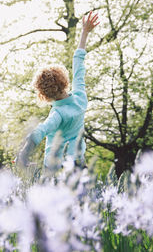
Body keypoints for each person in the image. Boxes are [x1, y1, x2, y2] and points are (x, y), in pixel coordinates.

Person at [16, 11, 99, 168]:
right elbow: (78, 64)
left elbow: (41, 130)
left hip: (54, 166)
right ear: (64, 81)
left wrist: (24, 154)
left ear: (45, 96)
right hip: (76, 162)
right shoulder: (80, 97)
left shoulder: (58, 114)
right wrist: (85, 32)